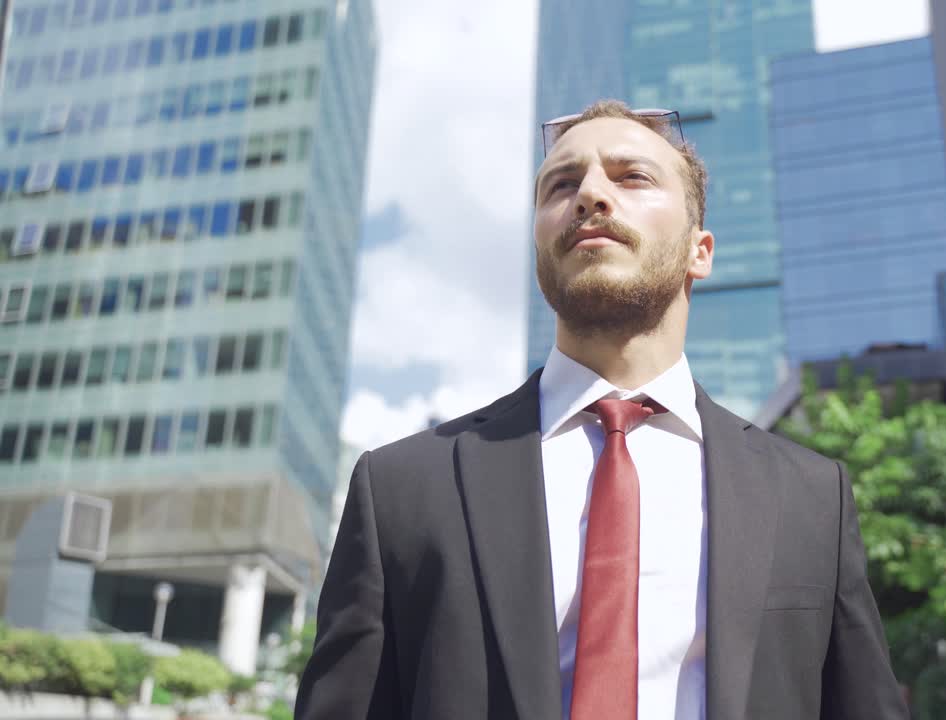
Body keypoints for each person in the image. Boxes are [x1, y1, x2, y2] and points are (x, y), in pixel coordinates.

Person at [295, 100, 908, 720]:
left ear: (701, 250)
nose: (590, 194)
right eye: (561, 184)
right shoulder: (401, 488)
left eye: (631, 177)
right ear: (539, 245)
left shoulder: (811, 495)